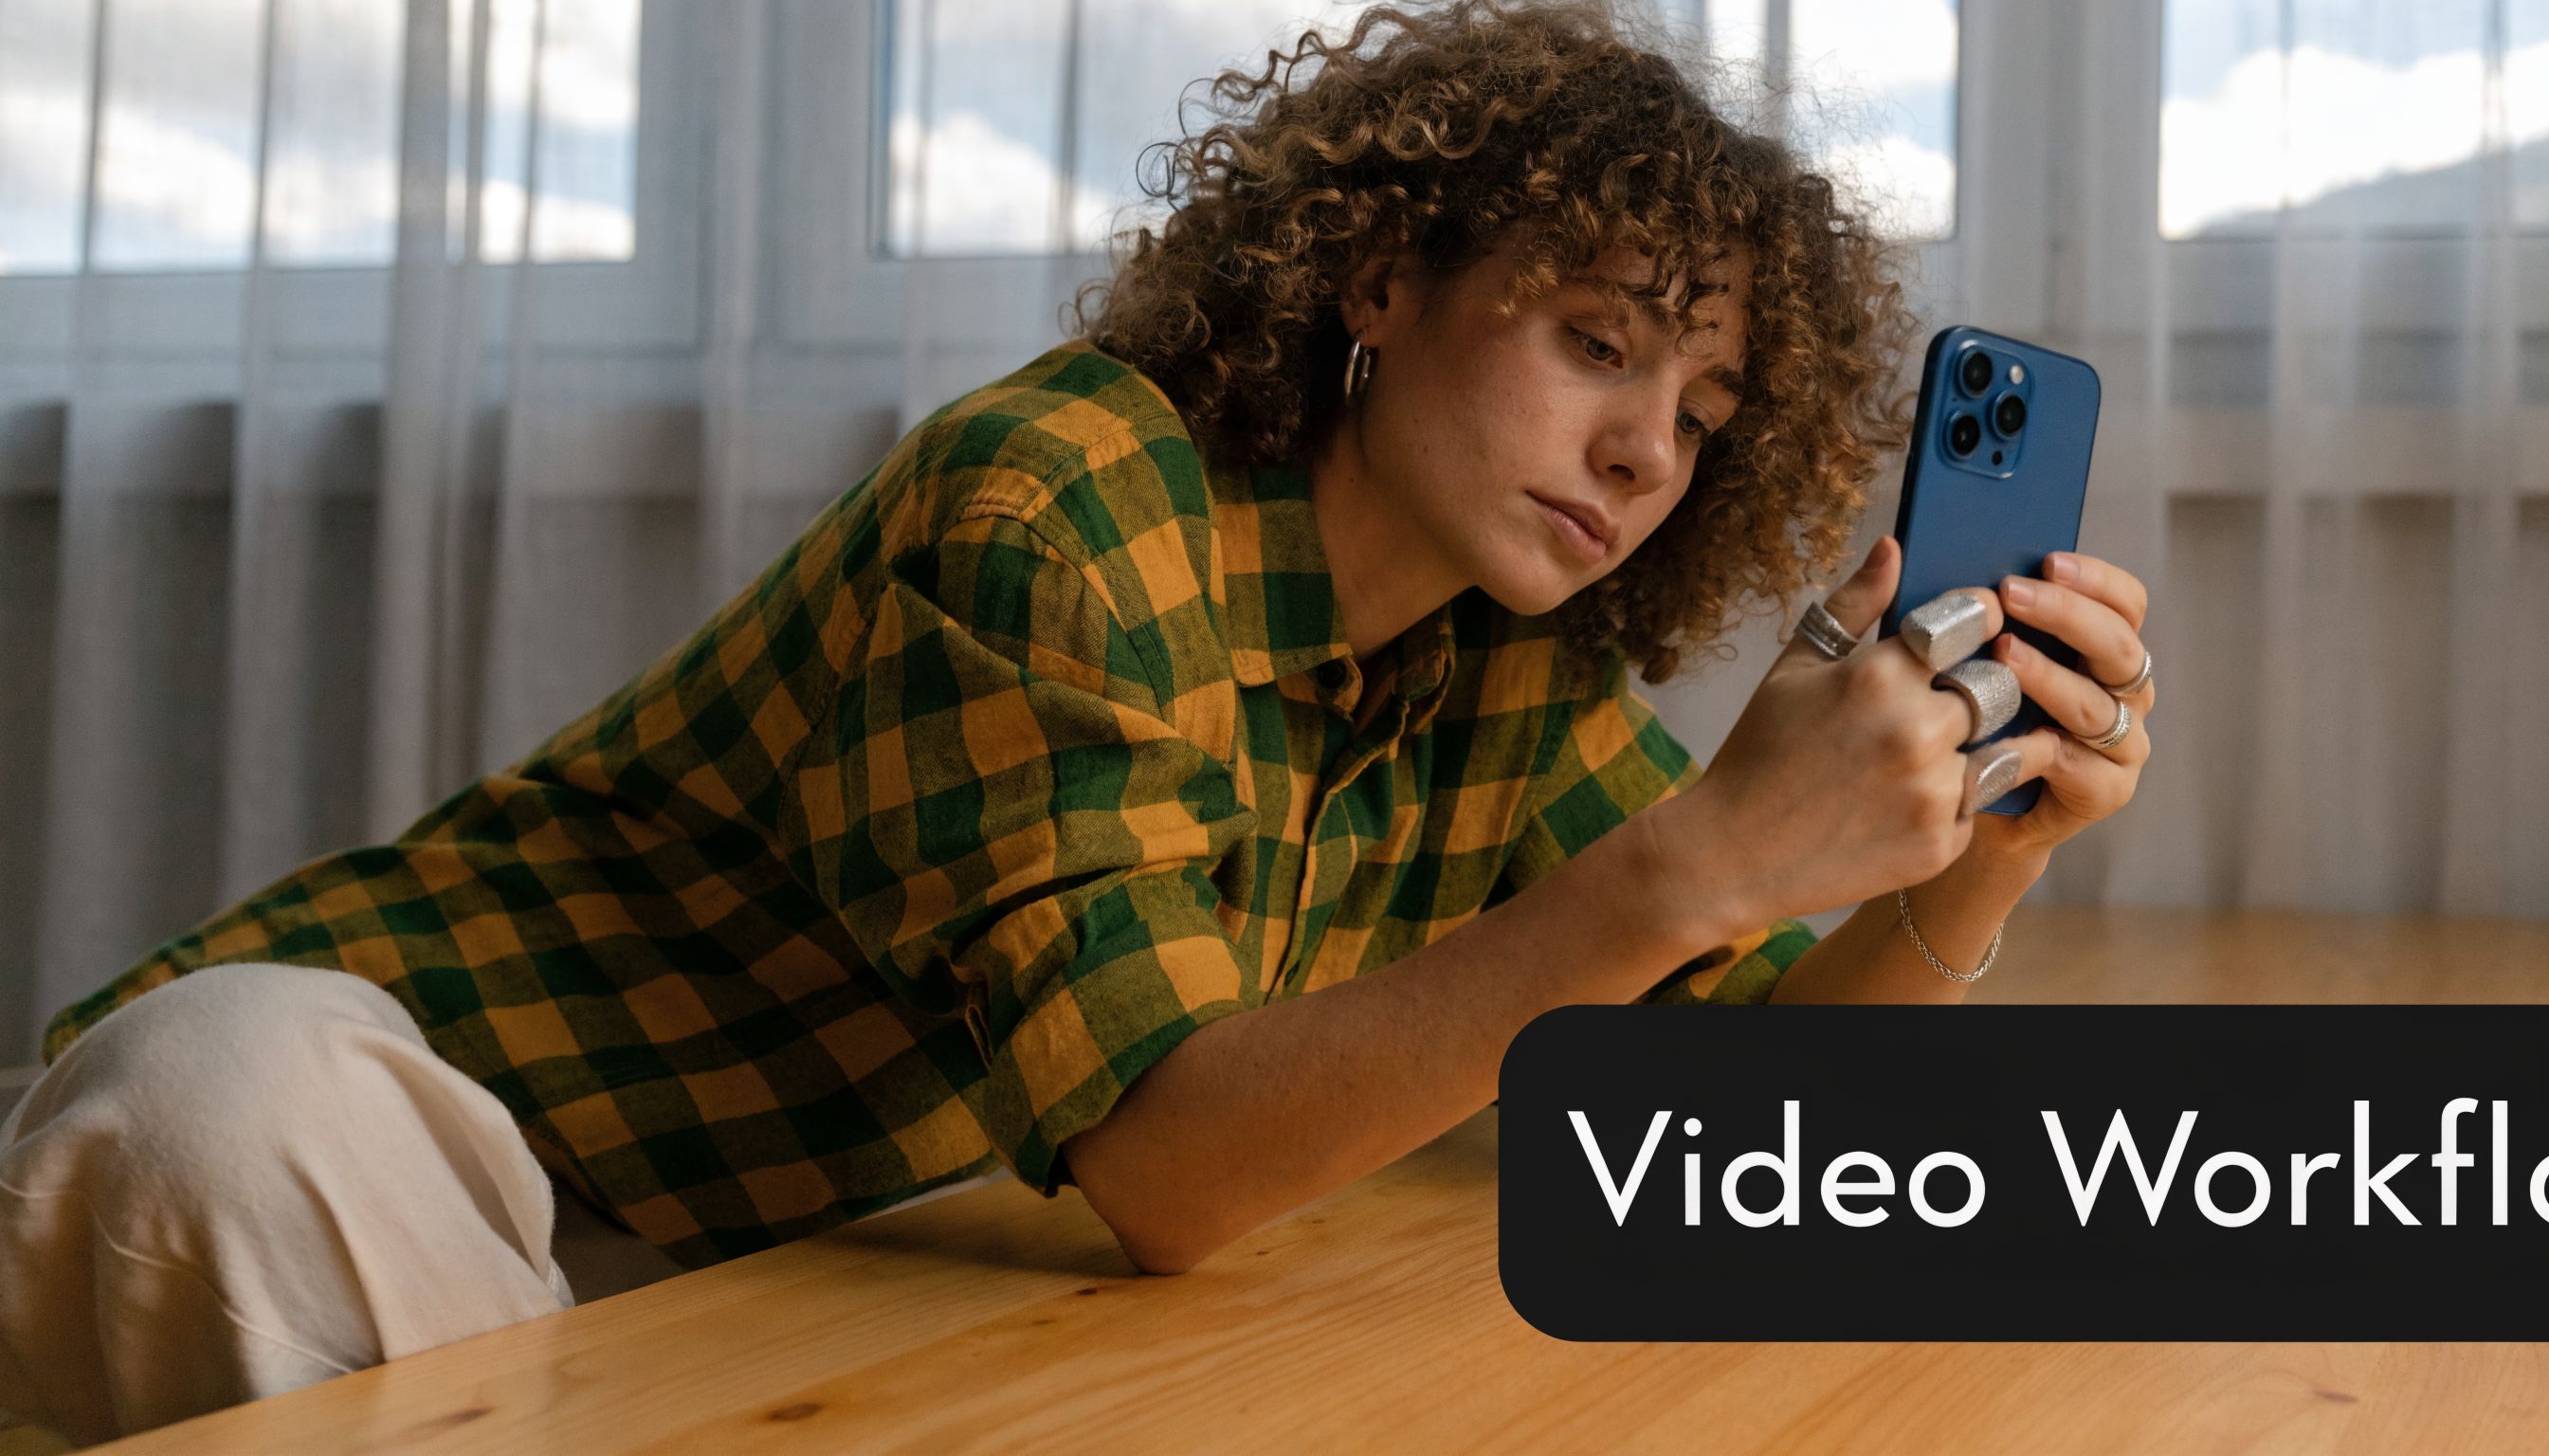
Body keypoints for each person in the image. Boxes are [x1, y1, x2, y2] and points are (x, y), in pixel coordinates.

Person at [0, 0, 2155, 1442]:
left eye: (1698, 416)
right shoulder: (1060, 501)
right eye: (1596, 343)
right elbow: (1167, 1168)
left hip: (715, 1305)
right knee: (230, 1080)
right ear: (1377, 284)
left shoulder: (1502, 680)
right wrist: (1695, 859)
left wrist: (1988, 853)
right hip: (386, 1157)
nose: (1639, 457)